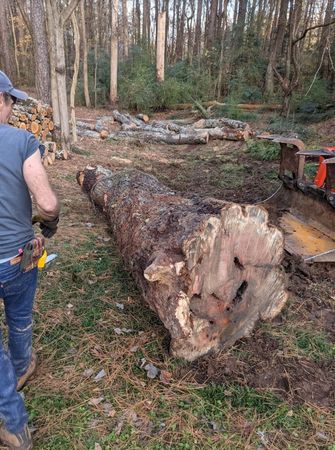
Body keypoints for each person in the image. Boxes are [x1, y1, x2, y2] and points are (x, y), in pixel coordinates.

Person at [0, 70, 60, 449]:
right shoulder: (22, 141)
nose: (12, 108)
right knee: (19, 316)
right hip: (18, 256)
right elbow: (48, 203)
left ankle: (14, 405)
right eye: (11, 101)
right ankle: (15, 409)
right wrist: (50, 224)